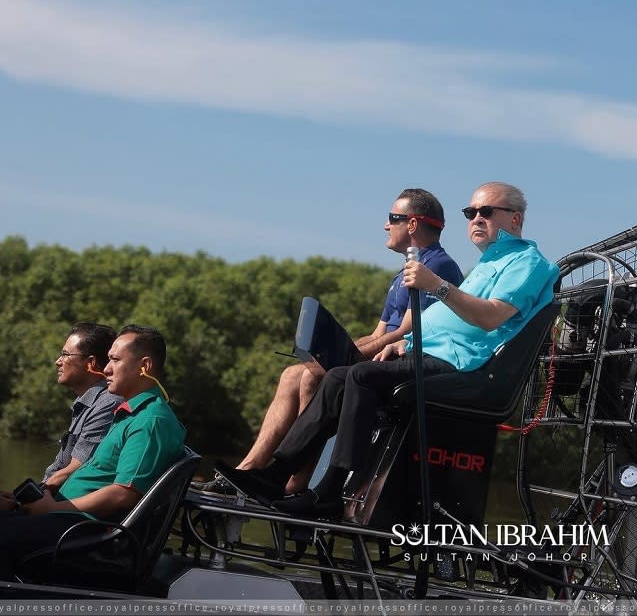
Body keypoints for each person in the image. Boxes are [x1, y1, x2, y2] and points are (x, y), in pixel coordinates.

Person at [218, 182, 560, 518]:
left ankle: (330, 492)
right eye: (470, 212)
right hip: (429, 353)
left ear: (515, 219)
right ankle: (275, 474)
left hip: (461, 364)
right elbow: (449, 319)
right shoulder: (490, 262)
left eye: (486, 211)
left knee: (362, 375)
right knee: (337, 377)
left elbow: (489, 317)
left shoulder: (528, 263)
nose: (475, 219)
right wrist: (403, 342)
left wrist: (437, 286)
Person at [194, 188, 464, 494]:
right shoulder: (403, 272)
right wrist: (334, 351)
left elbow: (403, 333)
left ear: (413, 224)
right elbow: (378, 334)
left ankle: (292, 485)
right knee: (292, 374)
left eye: (392, 218)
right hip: (382, 357)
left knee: (310, 377)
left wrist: (336, 358)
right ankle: (250, 471)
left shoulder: (436, 268)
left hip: (400, 366)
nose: (386, 225)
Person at [0, 325, 186, 580]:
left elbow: (123, 494)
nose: (106, 369)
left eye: (115, 360)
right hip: (70, 522)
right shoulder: (131, 415)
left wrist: (51, 510)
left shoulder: (151, 421)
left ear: (145, 365)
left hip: (84, 533)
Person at [43, 323, 122, 491]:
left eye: (65, 355)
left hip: (63, 509)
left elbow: (74, 471)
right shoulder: (88, 403)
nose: (58, 361)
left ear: (90, 363)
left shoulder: (108, 403)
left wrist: (23, 502)